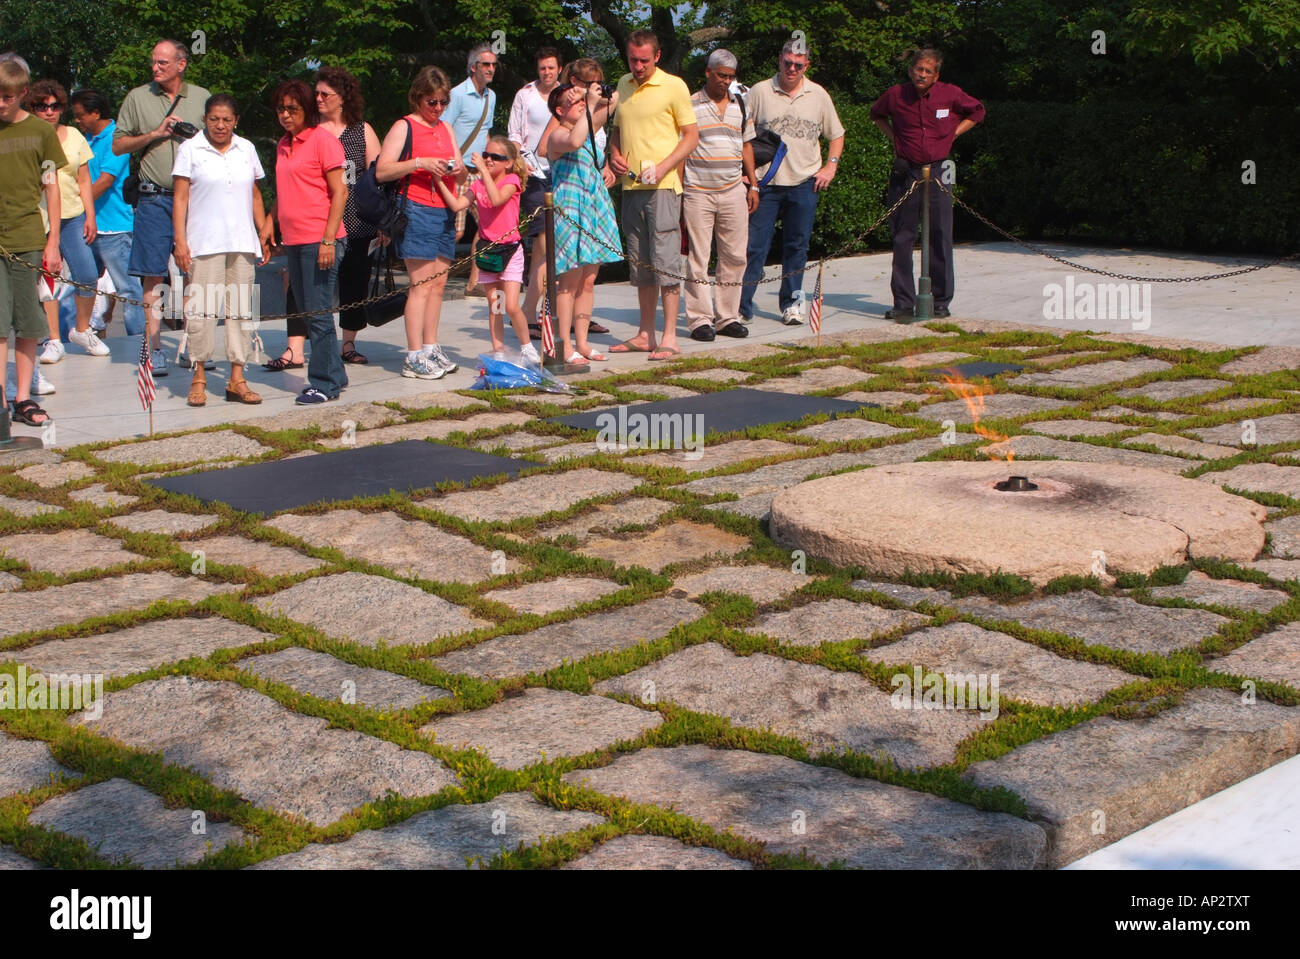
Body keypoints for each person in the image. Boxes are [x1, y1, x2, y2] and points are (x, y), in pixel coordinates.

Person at [112, 39, 211, 376]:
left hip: (196, 198)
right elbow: (118, 145)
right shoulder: (137, 98)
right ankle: (154, 349)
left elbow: (220, 140)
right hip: (154, 197)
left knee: (195, 272)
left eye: (163, 63)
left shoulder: (202, 97)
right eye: (153, 62)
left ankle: (192, 346)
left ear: (182, 64)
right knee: (152, 276)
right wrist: (154, 134)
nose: (155, 68)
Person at [172, 93, 272, 406]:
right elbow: (180, 199)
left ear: (236, 121)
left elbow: (255, 195)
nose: (220, 125)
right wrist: (180, 240)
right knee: (202, 311)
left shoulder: (247, 148)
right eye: (214, 119)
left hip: (241, 242)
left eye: (227, 120)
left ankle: (237, 379)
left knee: (241, 310)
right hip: (204, 243)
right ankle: (199, 375)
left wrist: (263, 233)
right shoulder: (190, 149)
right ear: (205, 119)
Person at [870, 48, 984, 320]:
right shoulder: (896, 94)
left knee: (940, 235)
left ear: (936, 76)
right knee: (902, 236)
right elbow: (877, 115)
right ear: (911, 70)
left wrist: (952, 134)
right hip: (906, 171)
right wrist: (896, 140)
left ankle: (941, 301)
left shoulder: (951, 94)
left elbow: (978, 112)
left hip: (938, 170)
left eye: (928, 71)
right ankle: (903, 302)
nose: (922, 74)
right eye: (918, 69)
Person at [607, 30, 699, 361]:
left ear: (657, 57)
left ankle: (670, 335)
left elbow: (691, 137)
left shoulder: (674, 85)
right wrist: (614, 153)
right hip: (631, 187)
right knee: (641, 263)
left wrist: (664, 167)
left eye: (644, 60)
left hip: (663, 187)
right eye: (633, 59)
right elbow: (617, 130)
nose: (638, 66)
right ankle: (646, 333)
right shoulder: (622, 84)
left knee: (666, 261)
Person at [739, 40, 844, 326]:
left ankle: (792, 304)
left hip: (804, 181)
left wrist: (830, 167)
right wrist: (747, 175)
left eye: (798, 65)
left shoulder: (818, 94)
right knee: (754, 246)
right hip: (765, 183)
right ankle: (742, 306)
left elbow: (836, 134)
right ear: (779, 60)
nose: (792, 69)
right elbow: (742, 135)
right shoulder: (760, 91)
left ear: (806, 66)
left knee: (797, 246)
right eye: (787, 62)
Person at [376, 66, 465, 380]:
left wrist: (457, 170)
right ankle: (413, 355)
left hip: (444, 208)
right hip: (416, 208)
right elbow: (382, 171)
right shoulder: (404, 126)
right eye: (432, 102)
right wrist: (419, 163)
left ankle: (429, 347)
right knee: (421, 284)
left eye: (443, 102)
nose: (438, 109)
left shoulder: (445, 128)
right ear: (418, 98)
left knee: (438, 285)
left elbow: (462, 170)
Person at [264, 79, 348, 404]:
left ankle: (324, 384)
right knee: (306, 309)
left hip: (320, 240)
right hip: (294, 240)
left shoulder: (322, 141)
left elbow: (340, 191)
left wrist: (328, 239)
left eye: (292, 109)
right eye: (281, 109)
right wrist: (270, 223)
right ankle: (336, 374)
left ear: (307, 111)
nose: (285, 115)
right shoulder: (283, 144)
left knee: (318, 313)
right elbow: (284, 189)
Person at [0, 53, 64, 428]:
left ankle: (23, 397)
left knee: (27, 323)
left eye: (8, 96)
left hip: (27, 237)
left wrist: (53, 240)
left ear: (23, 93)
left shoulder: (40, 132)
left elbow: (51, 186)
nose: (2, 103)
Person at [436, 135, 538, 363]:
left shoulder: (512, 181)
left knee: (511, 305)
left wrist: (481, 169)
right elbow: (457, 204)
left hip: (510, 250)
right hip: (488, 250)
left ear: (508, 162)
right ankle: (498, 350)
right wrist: (439, 181)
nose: (488, 160)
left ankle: (526, 346)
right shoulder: (478, 184)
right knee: (495, 305)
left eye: (495, 157)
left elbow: (496, 199)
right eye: (485, 155)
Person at [545, 71, 622, 367]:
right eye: (572, 102)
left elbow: (613, 101)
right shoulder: (558, 134)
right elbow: (575, 142)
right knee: (569, 282)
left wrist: (600, 92)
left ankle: (582, 342)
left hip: (592, 204)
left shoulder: (587, 123)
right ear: (560, 110)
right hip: (570, 208)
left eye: (580, 100)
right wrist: (588, 104)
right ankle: (563, 346)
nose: (579, 103)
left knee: (588, 281)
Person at [28, 79, 107, 367]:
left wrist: (90, 214)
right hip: (41, 216)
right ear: (32, 108)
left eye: (55, 106)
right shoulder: (28, 135)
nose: (49, 111)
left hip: (73, 214)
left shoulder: (74, 134)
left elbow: (84, 178)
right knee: (47, 278)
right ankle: (53, 339)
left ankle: (82, 330)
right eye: (42, 106)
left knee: (87, 273)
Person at [682, 50, 758, 342]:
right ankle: (700, 319)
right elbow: (683, 148)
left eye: (730, 76)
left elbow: (747, 146)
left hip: (732, 190)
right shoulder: (689, 103)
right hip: (698, 190)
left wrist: (753, 184)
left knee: (735, 255)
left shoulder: (741, 103)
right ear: (708, 73)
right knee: (698, 257)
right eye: (721, 75)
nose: (725, 81)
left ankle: (727, 316)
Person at [70, 89, 146, 340]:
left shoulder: (116, 138)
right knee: (82, 283)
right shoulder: (86, 139)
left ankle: (138, 341)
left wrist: (74, 204)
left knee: (128, 288)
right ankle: (84, 335)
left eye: (80, 116)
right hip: (89, 224)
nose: (77, 120)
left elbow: (105, 181)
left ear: (96, 112)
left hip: (114, 227)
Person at [508, 46, 561, 331]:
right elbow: (514, 133)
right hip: (533, 172)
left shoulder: (566, 95)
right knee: (543, 239)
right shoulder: (524, 95)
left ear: (559, 69)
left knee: (554, 244)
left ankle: (544, 309)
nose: (547, 72)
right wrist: (517, 159)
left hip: (561, 172)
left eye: (551, 67)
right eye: (542, 68)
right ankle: (530, 308)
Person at [444, 42, 498, 294]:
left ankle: (474, 283)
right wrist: (455, 165)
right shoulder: (456, 95)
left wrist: (491, 166)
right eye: (486, 64)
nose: (490, 69)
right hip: (457, 170)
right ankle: (434, 279)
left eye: (493, 65)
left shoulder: (492, 96)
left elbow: (485, 133)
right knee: (456, 232)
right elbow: (444, 130)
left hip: (478, 170)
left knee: (489, 225)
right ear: (472, 67)